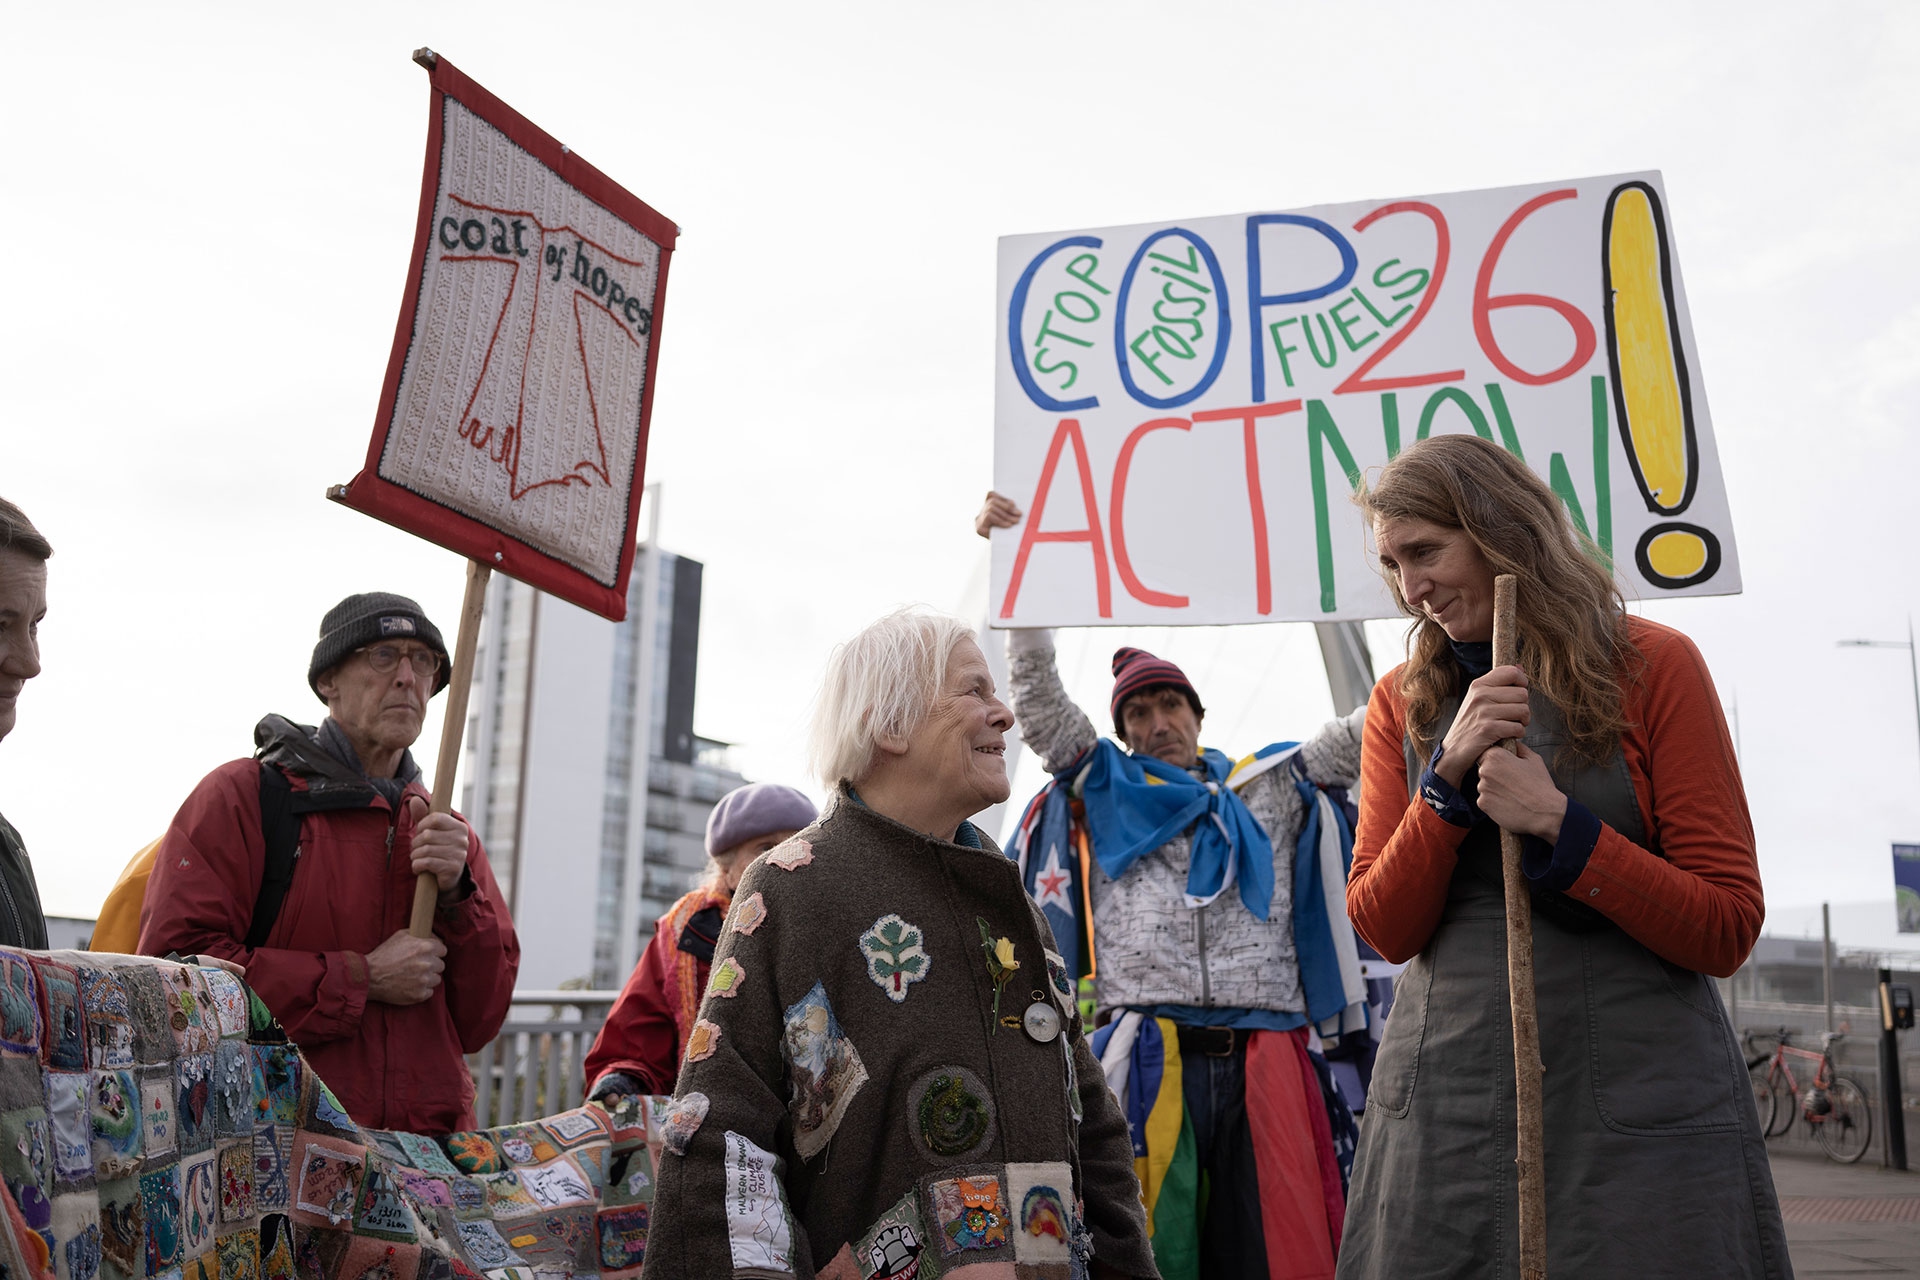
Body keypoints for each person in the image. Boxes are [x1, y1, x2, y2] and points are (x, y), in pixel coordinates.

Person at [1337, 435, 1788, 1277]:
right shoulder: (1400, 705)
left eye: (1426, 552)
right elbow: (1384, 927)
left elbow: (1725, 926)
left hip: (1641, 1120)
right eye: (1394, 565)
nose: (1410, 589)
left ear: (1501, 530)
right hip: (1446, 1111)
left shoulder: (1653, 666)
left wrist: (1561, 826)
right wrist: (1445, 786)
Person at [642, 608, 1157, 1280]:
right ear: (887, 725)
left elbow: (1090, 1122)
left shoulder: (1007, 898)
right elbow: (722, 1135)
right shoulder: (795, 887)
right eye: (974, 690)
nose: (1003, 713)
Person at [978, 492, 1366, 1280]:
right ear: (1124, 733)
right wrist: (1021, 570)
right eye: (1141, 711)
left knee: (1277, 1255)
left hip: (1270, 1055)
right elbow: (1040, 702)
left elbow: (1383, 723)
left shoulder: (1275, 786)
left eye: (1170, 703)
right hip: (1149, 1060)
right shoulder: (1102, 786)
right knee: (1152, 1256)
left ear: (1197, 713)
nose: (1158, 721)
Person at [139, 592, 520, 1134]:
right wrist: (363, 978)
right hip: (278, 1143)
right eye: (384, 656)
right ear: (328, 682)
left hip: (426, 1152)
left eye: (425, 661)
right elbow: (177, 982)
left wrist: (459, 896)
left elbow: (481, 1020)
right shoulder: (243, 797)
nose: (408, 678)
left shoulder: (448, 834)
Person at [582, 780, 818, 1098]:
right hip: (710, 1114)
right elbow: (637, 1034)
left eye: (799, 844)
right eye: (765, 848)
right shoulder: (682, 931)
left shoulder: (836, 923)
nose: (785, 858)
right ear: (728, 870)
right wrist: (625, 1080)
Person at [0, 498, 49, 950]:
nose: (31, 664)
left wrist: (172, 985)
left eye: (34, 626)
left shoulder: (6, 841)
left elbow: (32, 1011)